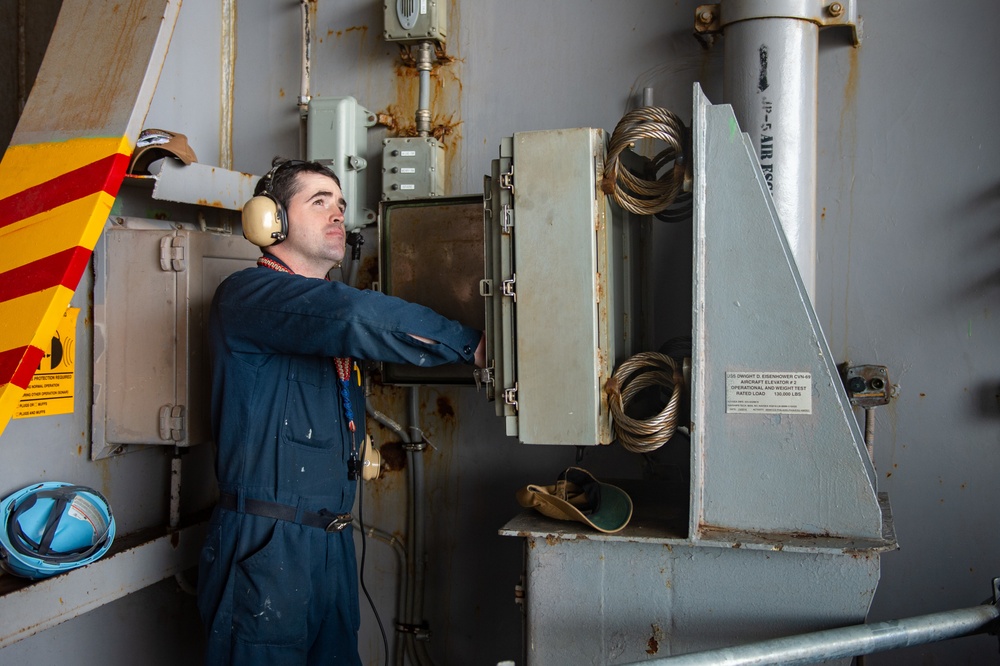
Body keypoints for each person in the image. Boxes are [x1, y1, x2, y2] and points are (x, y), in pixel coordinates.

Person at [197, 158, 485, 665]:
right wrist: (476, 347)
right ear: (272, 221)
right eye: (319, 201)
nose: (338, 215)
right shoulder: (247, 296)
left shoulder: (324, 318)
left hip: (328, 545)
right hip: (266, 546)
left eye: (342, 205)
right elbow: (351, 314)